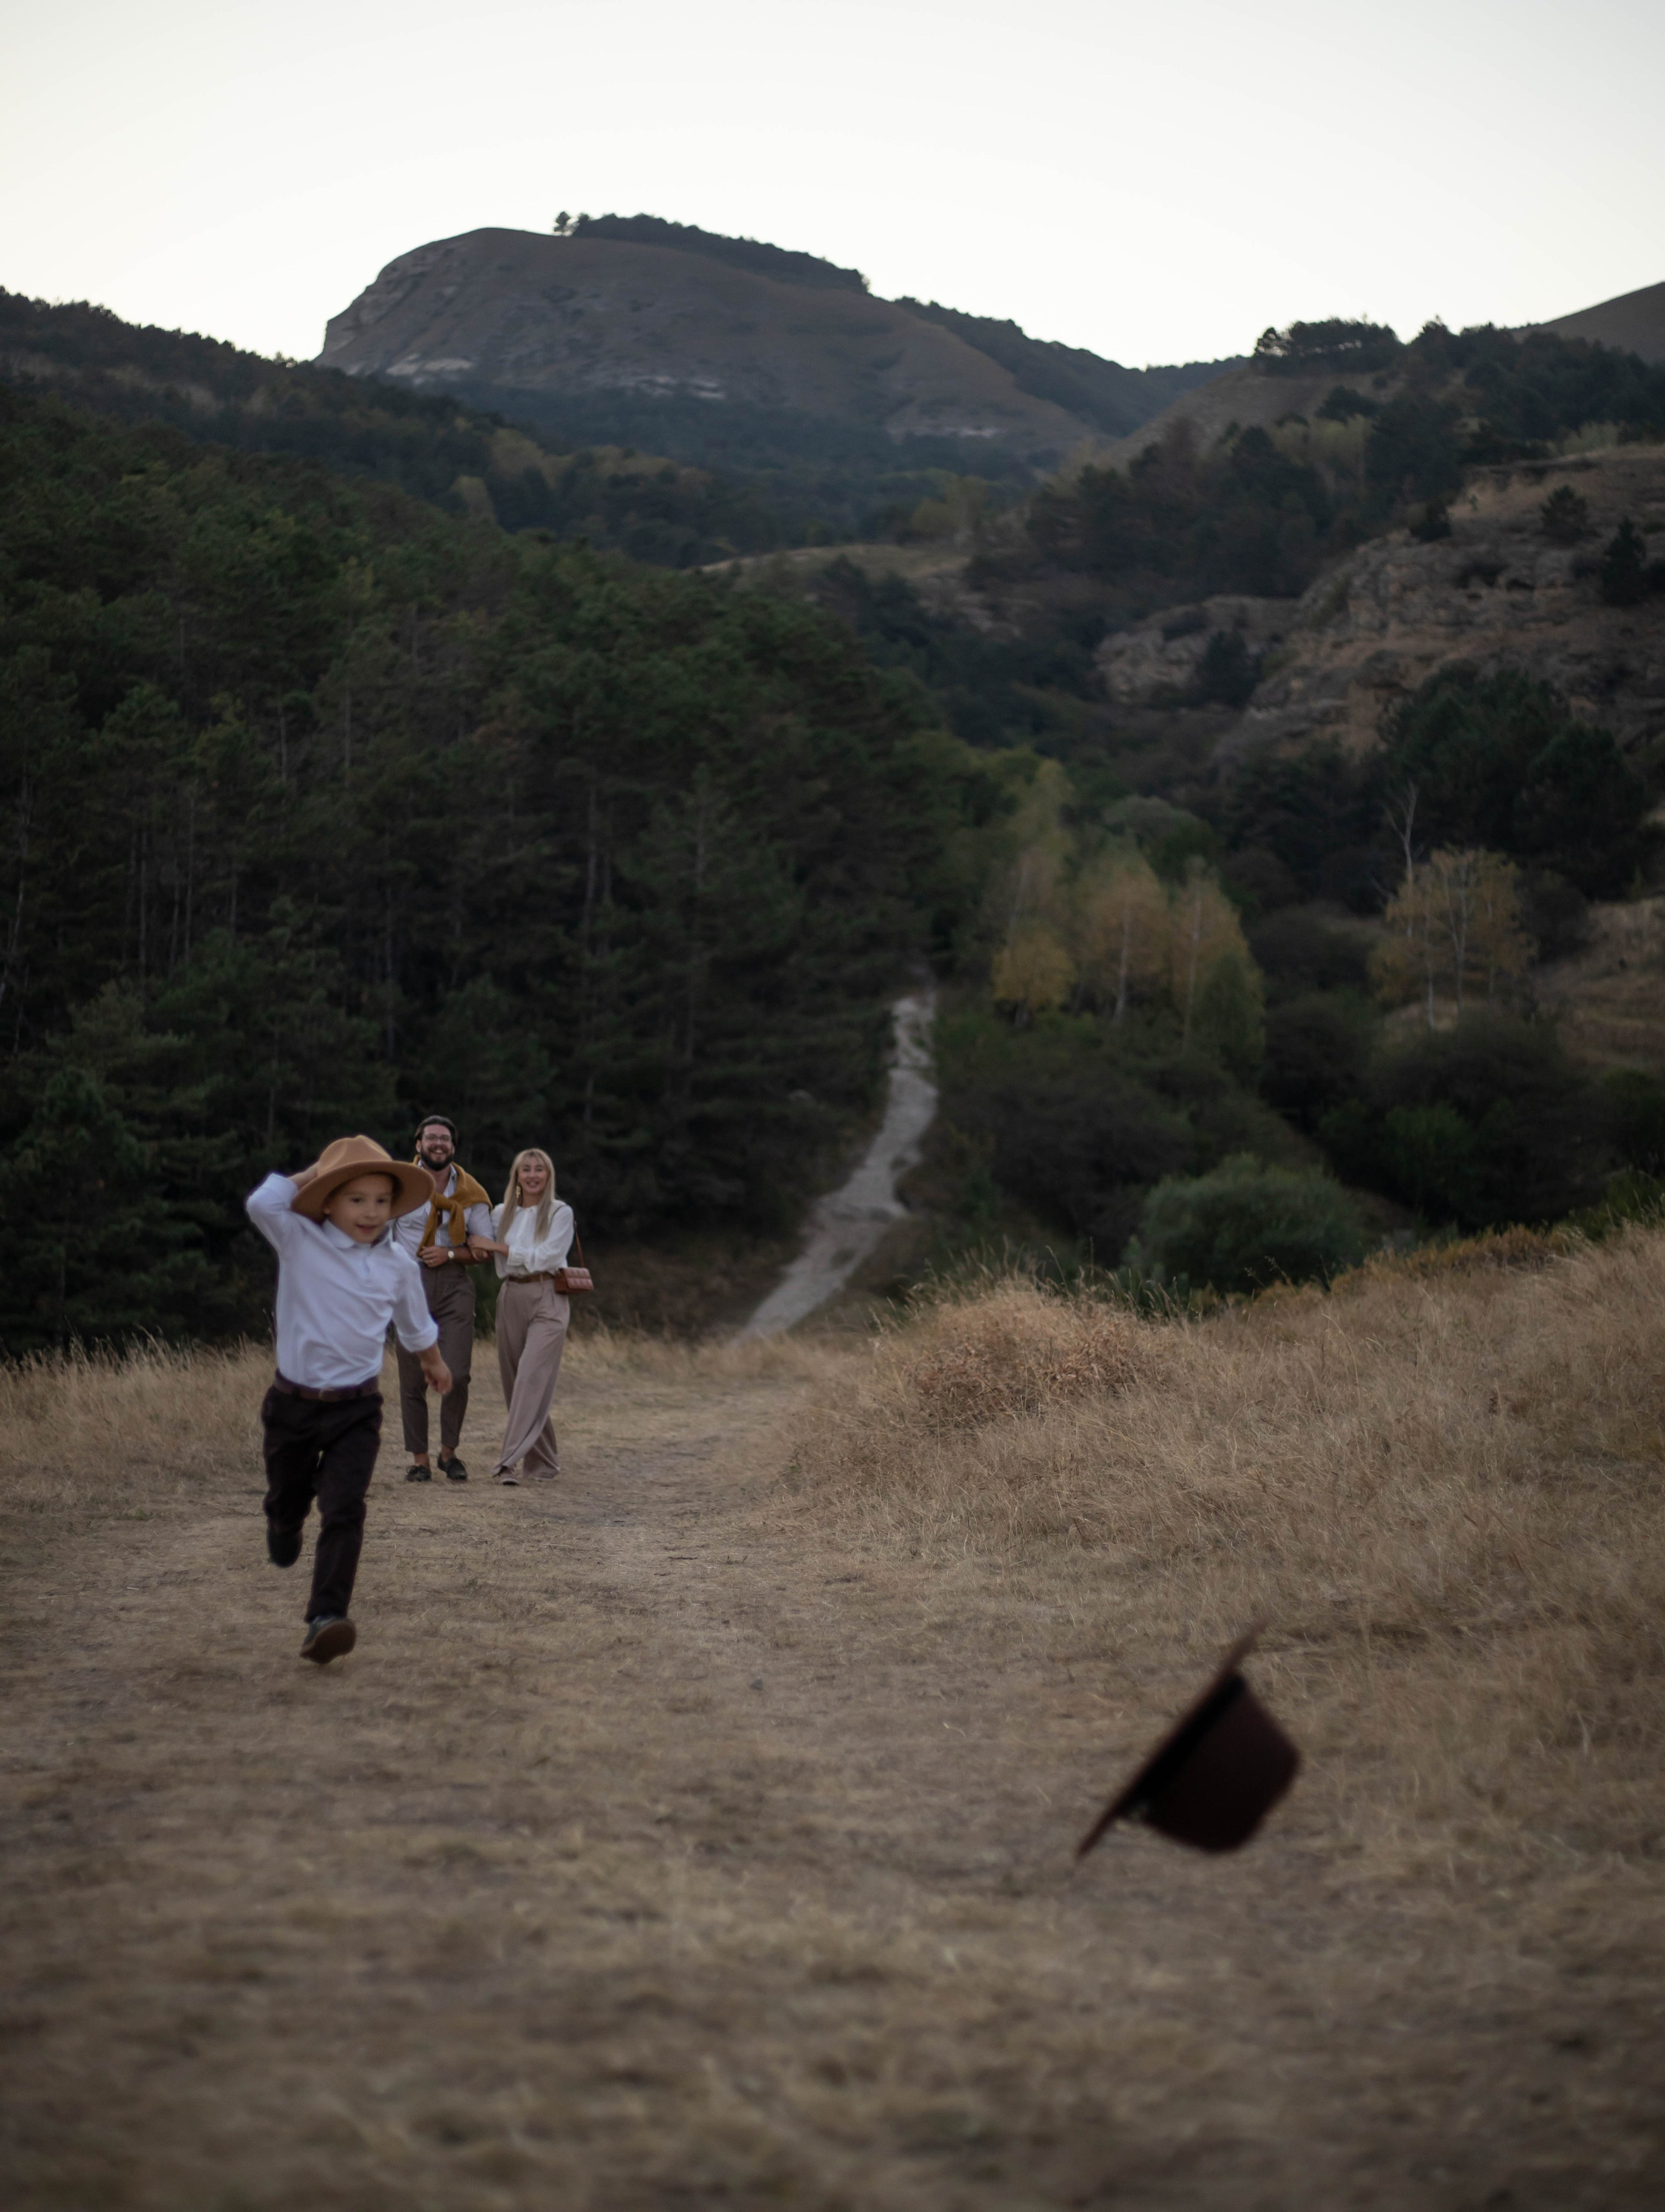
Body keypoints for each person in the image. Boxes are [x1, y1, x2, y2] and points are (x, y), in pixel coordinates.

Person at [246, 1134, 451, 1664]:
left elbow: (414, 1324)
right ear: (329, 1200)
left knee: (345, 1508)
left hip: (357, 1410)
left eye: (382, 1201)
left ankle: (326, 1617)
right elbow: (261, 1202)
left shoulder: (398, 1263)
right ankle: (283, 1520)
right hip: (293, 1405)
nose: (371, 1212)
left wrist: (432, 1361)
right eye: (356, 1199)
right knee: (289, 1493)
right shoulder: (299, 1239)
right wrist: (318, 1169)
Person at [391, 1113, 492, 1483]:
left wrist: (450, 1254)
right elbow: (382, 1237)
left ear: (453, 1147)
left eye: (445, 1139)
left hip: (454, 1286)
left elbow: (483, 1249)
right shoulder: (399, 1185)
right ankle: (419, 1460)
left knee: (459, 1373)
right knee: (411, 1378)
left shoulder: (472, 1193)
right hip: (408, 1283)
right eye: (431, 1138)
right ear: (418, 1145)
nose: (438, 1144)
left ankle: (449, 1454)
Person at [471, 1148, 574, 1486]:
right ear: (516, 1176)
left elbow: (548, 1256)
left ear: (549, 1175)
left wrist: (500, 1248)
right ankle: (543, 1464)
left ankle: (507, 1463)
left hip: (549, 1296)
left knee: (531, 1378)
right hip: (511, 1296)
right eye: (525, 1169)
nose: (532, 1175)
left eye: (539, 1169)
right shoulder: (502, 1213)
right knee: (517, 1383)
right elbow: (474, 1236)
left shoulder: (560, 1212)